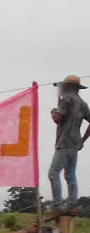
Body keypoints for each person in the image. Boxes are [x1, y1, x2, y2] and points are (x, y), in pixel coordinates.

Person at [49, 75, 90, 216]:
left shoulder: (66, 99)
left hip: (64, 142)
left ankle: (57, 207)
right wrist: (82, 140)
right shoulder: (83, 103)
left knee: (53, 173)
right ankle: (72, 206)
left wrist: (53, 111)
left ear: (66, 87)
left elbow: (58, 119)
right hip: (74, 144)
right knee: (70, 175)